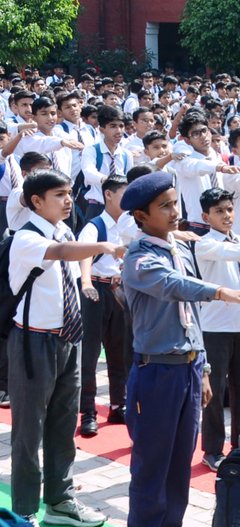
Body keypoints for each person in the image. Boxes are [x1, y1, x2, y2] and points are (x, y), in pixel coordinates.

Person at [120, 171, 240, 527]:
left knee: (180, 459)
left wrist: (202, 367)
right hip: (155, 370)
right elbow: (172, 288)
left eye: (174, 201)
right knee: (151, 464)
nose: (174, 210)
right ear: (142, 216)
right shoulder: (139, 256)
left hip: (185, 367)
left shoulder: (178, 248)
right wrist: (220, 291)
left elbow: (190, 318)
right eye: (163, 206)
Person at [8, 170, 115, 527]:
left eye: (70, 193)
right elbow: (62, 255)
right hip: (33, 342)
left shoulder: (65, 230)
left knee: (62, 422)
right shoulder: (26, 236)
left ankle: (60, 499)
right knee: (28, 430)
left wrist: (89, 273)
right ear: (36, 201)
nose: (69, 201)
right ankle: (24, 510)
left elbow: (71, 258)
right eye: (59, 194)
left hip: (68, 338)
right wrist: (103, 247)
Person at [194, 188, 240, 472]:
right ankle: (212, 449)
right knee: (215, 391)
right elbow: (233, 253)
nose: (227, 215)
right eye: (219, 211)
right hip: (215, 327)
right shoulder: (205, 244)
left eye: (230, 209)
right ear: (206, 216)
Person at [77, 175, 133, 436]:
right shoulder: (95, 225)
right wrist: (86, 282)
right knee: (90, 352)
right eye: (124, 193)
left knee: (120, 351)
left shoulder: (131, 223)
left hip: (120, 289)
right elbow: (85, 254)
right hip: (96, 290)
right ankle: (87, 410)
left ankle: (118, 405)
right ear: (108, 195)